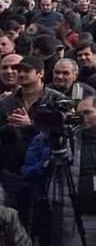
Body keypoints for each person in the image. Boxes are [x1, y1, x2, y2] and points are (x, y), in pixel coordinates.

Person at [23, 95, 96, 246]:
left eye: (87, 112)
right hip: (78, 219)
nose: (82, 117)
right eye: (79, 113)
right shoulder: (69, 138)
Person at [0, 57, 63, 223]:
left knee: (44, 224)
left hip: (45, 173)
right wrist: (9, 127)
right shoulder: (6, 102)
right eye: (19, 70)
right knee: (13, 222)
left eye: (26, 71)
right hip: (12, 173)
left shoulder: (56, 100)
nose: (20, 74)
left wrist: (31, 125)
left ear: (40, 73)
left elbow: (62, 132)